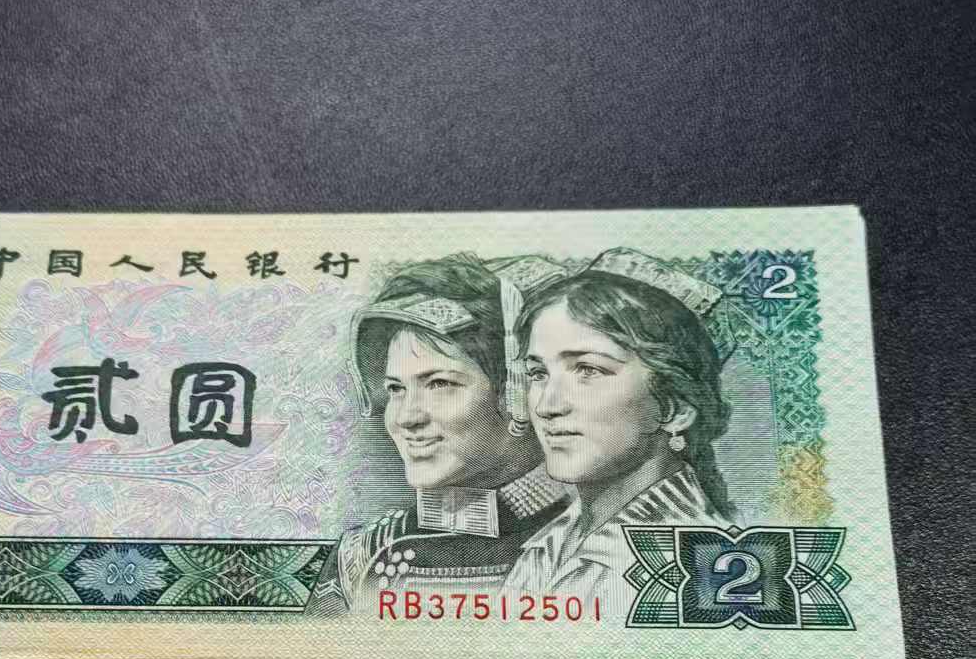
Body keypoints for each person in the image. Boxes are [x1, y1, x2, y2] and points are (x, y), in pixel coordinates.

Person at [309, 253, 563, 613]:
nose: (406, 418)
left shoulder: (593, 540)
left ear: (516, 392)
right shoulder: (363, 555)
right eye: (396, 389)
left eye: (439, 384)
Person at [503, 248, 733, 603]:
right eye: (538, 373)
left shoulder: (698, 562)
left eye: (588, 370)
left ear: (674, 408)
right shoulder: (550, 543)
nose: (547, 406)